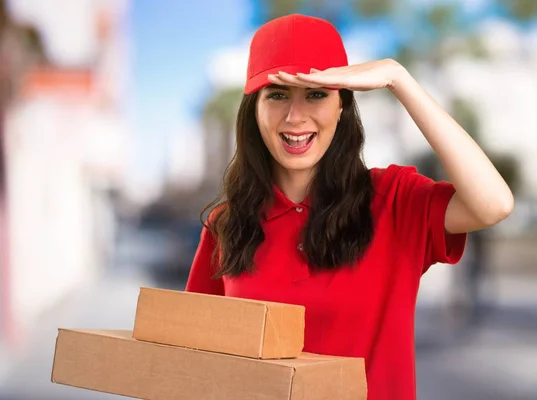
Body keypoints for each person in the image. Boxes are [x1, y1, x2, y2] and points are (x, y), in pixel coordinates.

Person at [186, 13, 514, 400]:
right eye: (276, 95)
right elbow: (195, 358)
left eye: (316, 94)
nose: (295, 117)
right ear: (253, 111)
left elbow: (494, 204)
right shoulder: (227, 225)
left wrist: (399, 79)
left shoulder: (394, 200)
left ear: (342, 106)